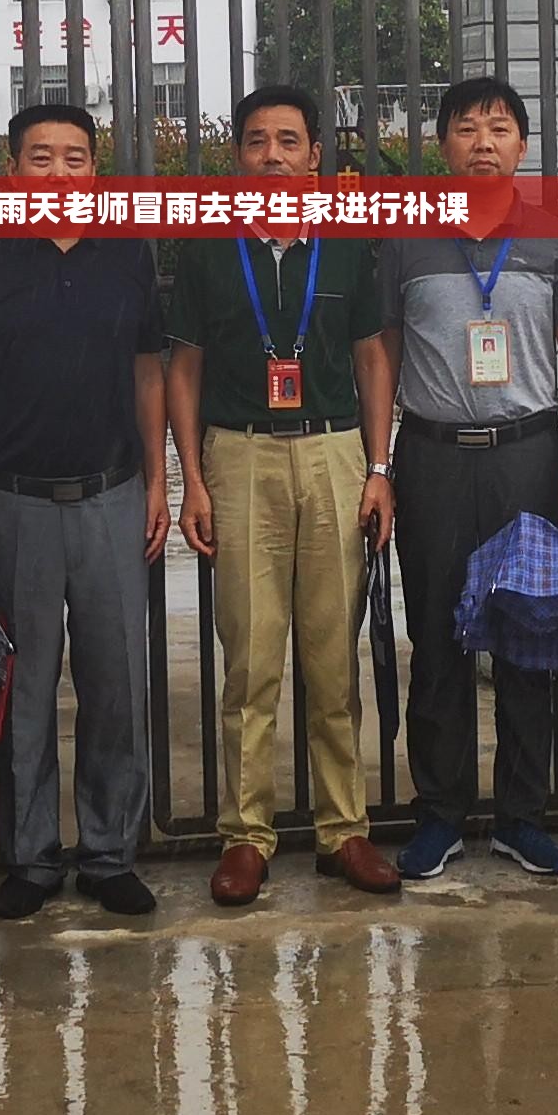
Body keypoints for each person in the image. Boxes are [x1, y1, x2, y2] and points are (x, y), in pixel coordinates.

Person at [162, 85, 404, 906]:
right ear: (238, 156)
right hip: (241, 459)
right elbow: (183, 366)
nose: (273, 156)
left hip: (335, 455)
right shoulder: (203, 249)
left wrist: (380, 467)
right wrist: (191, 477)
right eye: (258, 141)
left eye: (289, 142)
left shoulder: (345, 247)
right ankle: (246, 835)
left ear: (314, 155)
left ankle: (345, 830)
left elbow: (373, 357)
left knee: (333, 661)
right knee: (252, 660)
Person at [0, 100, 167, 921]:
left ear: (94, 171)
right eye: (41, 158)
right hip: (13, 503)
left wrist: (159, 482)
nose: (59, 173)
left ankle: (109, 852)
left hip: (111, 494)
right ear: (11, 170)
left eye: (75, 158)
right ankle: (30, 857)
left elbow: (148, 372)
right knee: (23, 688)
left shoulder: (126, 256)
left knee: (116, 682)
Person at [372, 75, 558, 885]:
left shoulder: (552, 239)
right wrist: (380, 464)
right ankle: (438, 815)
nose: (483, 142)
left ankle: (521, 817)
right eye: (467, 128)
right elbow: (382, 356)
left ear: (522, 146)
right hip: (433, 457)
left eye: (499, 128)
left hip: (527, 455)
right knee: (435, 636)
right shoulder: (406, 237)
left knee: (528, 635)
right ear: (442, 144)